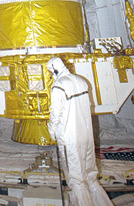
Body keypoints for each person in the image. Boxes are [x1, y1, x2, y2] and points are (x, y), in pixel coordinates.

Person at [47, 57, 113, 206]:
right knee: (90, 175)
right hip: (86, 134)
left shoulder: (59, 86)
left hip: (70, 138)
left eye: (50, 72)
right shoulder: (81, 81)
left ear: (55, 70)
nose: (50, 75)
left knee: (76, 179)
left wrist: (52, 131)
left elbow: (55, 114)